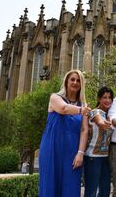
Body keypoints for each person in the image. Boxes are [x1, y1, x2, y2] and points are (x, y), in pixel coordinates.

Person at [39, 69, 91, 197]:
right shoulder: (54, 97)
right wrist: (81, 110)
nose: (75, 82)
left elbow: (85, 130)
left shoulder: (83, 104)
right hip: (52, 148)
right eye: (72, 79)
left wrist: (80, 153)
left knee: (70, 187)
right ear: (66, 82)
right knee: (50, 184)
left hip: (73, 151)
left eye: (78, 80)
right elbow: (63, 108)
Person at [84, 86, 114, 197]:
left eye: (110, 97)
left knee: (105, 191)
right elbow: (99, 120)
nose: (107, 100)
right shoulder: (95, 112)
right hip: (92, 157)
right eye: (104, 97)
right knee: (91, 191)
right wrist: (103, 124)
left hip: (105, 157)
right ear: (99, 99)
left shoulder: (110, 114)